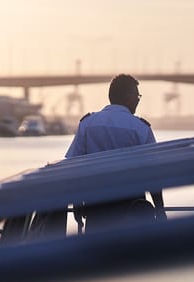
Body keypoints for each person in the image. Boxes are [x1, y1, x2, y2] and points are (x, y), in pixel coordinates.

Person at [65, 74, 165, 232]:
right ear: (127, 97)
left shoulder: (88, 123)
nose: (138, 99)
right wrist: (160, 209)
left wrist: (77, 203)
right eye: (136, 95)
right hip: (132, 208)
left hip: (96, 208)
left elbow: (74, 166)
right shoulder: (140, 128)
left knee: (96, 253)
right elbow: (153, 173)